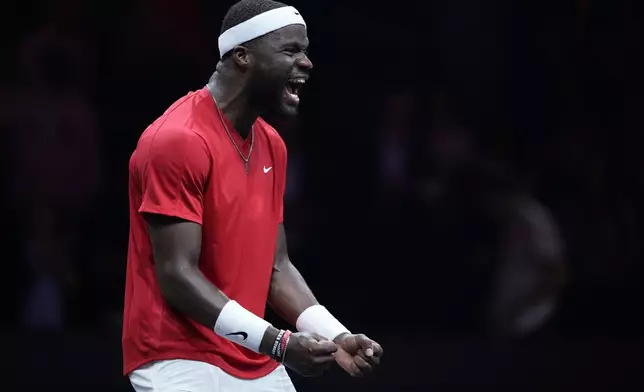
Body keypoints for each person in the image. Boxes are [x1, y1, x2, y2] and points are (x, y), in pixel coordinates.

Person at [122, 1, 383, 391]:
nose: (307, 63)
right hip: (176, 356)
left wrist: (336, 334)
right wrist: (278, 342)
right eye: (291, 50)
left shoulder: (272, 144)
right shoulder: (177, 140)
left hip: (253, 358)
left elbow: (276, 266)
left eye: (305, 51)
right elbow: (177, 274)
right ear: (242, 56)